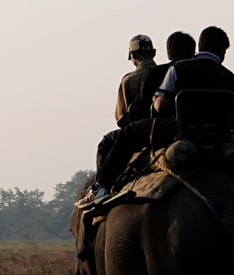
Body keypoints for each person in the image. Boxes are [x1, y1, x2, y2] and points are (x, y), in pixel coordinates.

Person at [83, 32, 197, 205]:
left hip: (153, 130)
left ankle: (101, 188)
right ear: (154, 53)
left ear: (132, 56)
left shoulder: (136, 78)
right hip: (198, 130)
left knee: (107, 141)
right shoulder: (195, 72)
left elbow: (123, 117)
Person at [153, 25, 234, 135]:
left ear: (200, 46)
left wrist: (155, 99)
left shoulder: (177, 68)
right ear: (222, 50)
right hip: (217, 137)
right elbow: (233, 117)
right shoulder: (231, 78)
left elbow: (161, 106)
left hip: (183, 133)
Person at [115, 34, 157, 128]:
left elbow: (120, 116)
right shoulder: (167, 72)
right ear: (154, 53)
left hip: (139, 130)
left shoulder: (128, 80)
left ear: (132, 55)